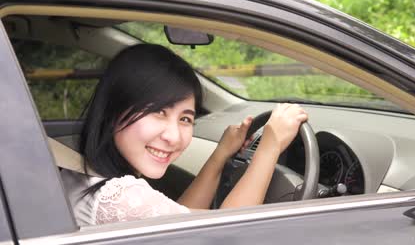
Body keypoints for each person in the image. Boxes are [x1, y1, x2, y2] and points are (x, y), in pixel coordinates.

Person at [61, 44, 308, 226]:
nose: (174, 136)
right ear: (114, 110)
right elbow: (227, 236)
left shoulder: (82, 174)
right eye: (158, 112)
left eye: (185, 119)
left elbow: (182, 224)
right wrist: (269, 147)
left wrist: (220, 155)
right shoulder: (120, 199)